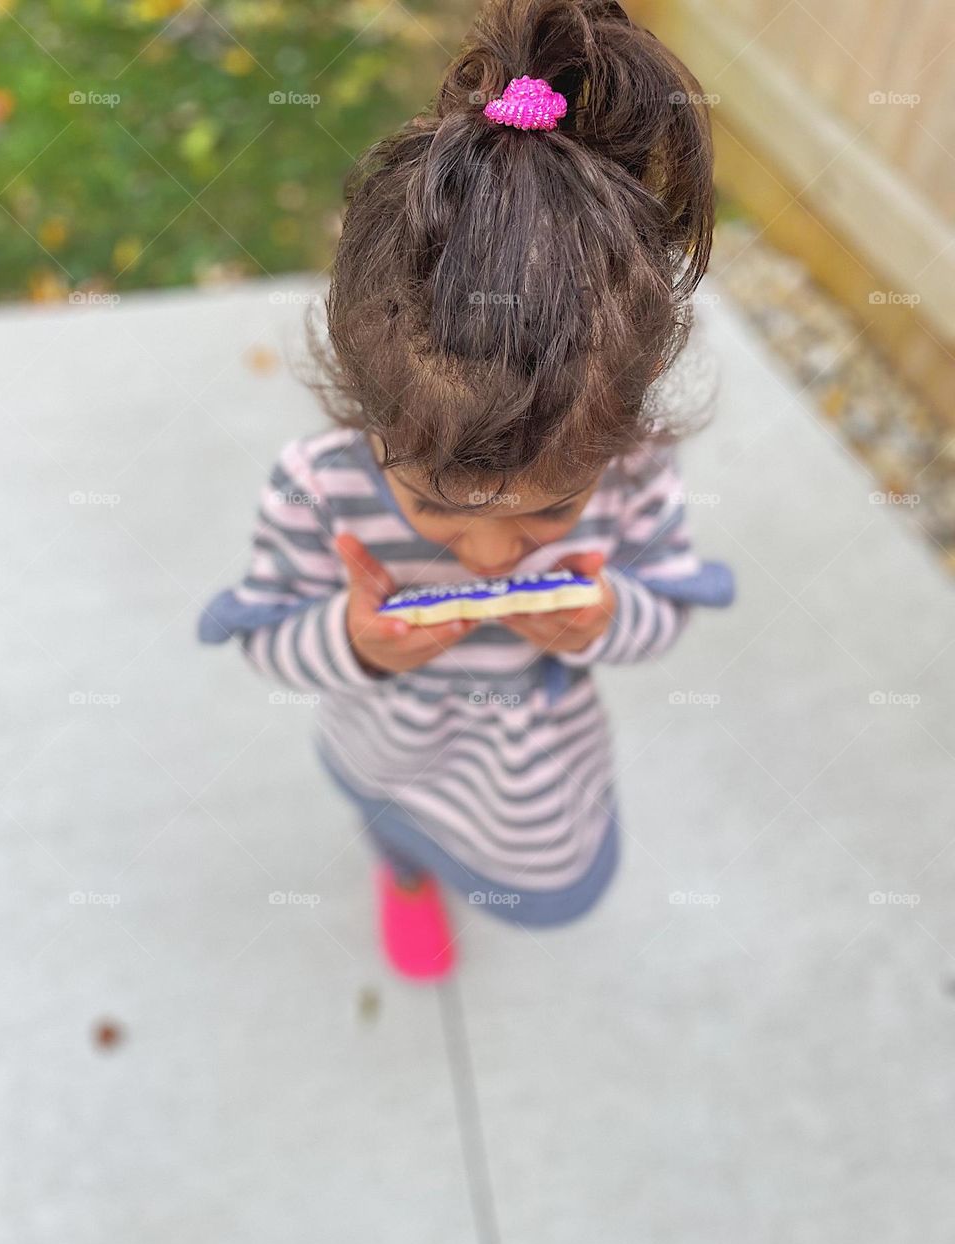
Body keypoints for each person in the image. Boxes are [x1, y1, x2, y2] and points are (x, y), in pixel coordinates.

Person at [197, 0, 735, 982]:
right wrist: (354, 638)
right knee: (391, 822)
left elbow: (671, 602)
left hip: (528, 773)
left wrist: (608, 617)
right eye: (440, 510)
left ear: (618, 442)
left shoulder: (634, 471)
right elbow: (266, 634)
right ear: (367, 426)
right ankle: (404, 870)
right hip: (385, 749)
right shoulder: (319, 490)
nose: (493, 556)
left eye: (547, 511)